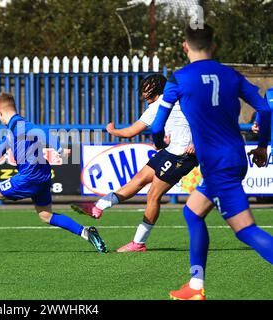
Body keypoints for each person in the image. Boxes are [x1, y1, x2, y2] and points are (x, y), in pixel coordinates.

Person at [150, 24, 273, 300]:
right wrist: (263, 145)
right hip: (233, 157)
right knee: (192, 212)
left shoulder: (178, 79)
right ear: (214, 46)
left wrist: (160, 147)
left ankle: (196, 288)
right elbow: (264, 108)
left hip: (218, 165)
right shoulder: (231, 75)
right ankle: (195, 287)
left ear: (184, 46)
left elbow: (158, 127)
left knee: (245, 230)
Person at [0, 92, 107, 253]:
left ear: (0, 112)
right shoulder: (12, 130)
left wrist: (59, 149)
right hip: (42, 175)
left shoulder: (20, 126)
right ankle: (86, 232)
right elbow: (0, 150)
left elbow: (43, 132)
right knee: (45, 215)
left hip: (30, 176)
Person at [71, 74, 198, 252]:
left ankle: (139, 243)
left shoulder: (159, 105)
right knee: (138, 180)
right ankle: (97, 207)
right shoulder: (169, 101)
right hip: (169, 150)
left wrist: (112, 130)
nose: (144, 92)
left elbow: (131, 131)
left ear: (155, 89)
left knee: (153, 195)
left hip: (182, 155)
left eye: (147, 88)